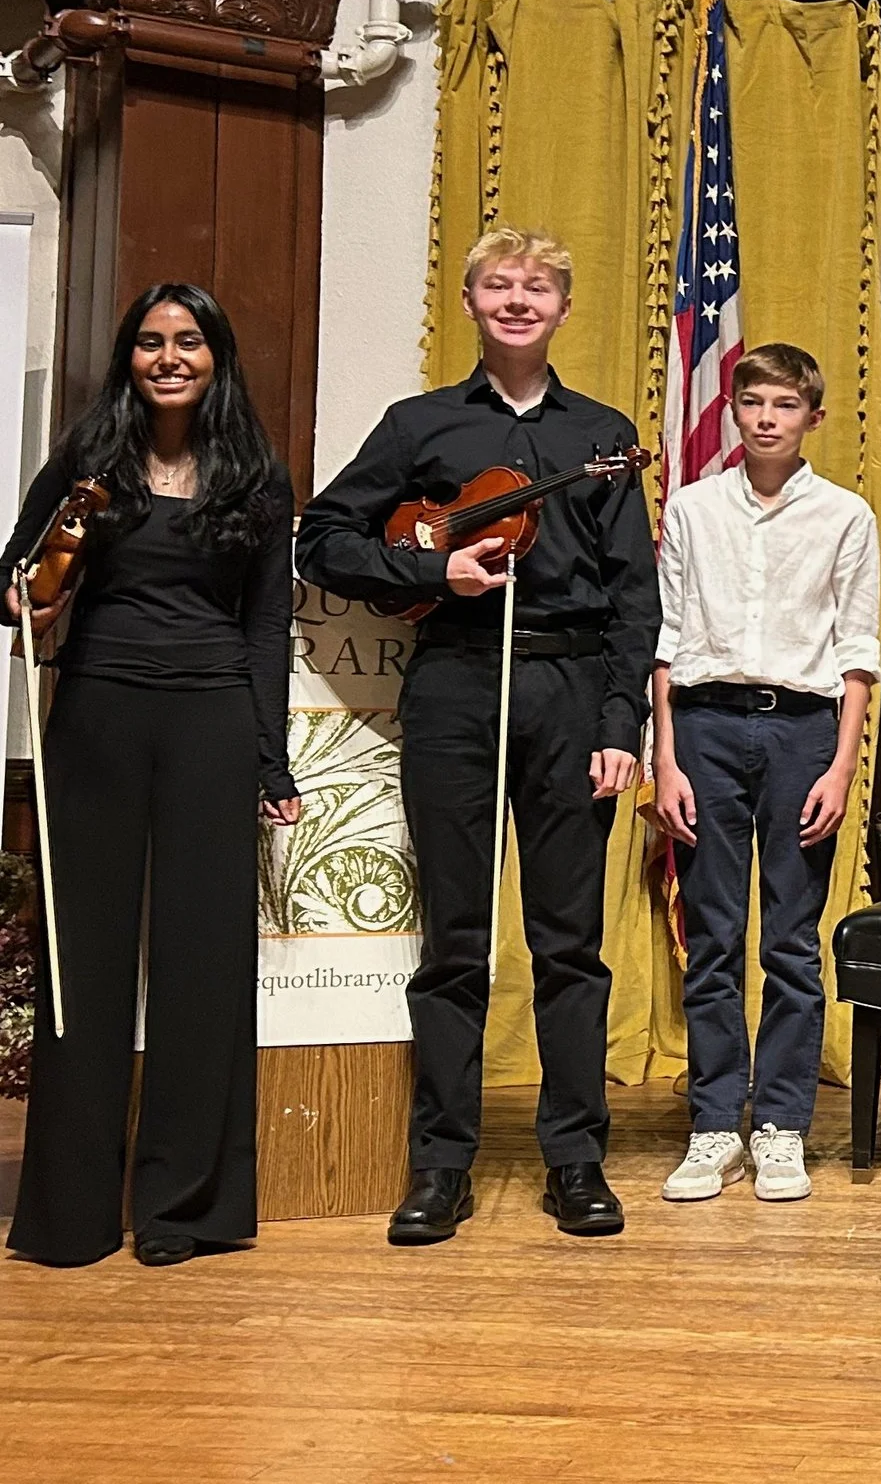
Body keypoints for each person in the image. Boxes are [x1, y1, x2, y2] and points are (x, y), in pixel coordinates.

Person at [297, 227, 659, 1245]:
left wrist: (619, 720)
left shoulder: (601, 433)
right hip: (456, 678)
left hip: (570, 686)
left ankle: (576, 1158)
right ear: (468, 302)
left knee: (569, 944)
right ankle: (442, 1162)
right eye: (498, 284)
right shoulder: (419, 427)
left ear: (561, 308)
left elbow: (634, 594)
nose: (516, 300)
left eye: (535, 287)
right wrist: (430, 575)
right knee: (454, 939)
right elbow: (327, 539)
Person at [1, 284, 299, 1268]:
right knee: (81, 964)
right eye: (150, 342)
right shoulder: (90, 460)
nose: (167, 357)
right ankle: (69, 1212)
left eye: (188, 341)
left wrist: (270, 754)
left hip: (212, 716)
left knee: (202, 963)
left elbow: (264, 629)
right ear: (129, 356)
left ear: (217, 355)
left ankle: (186, 1208)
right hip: (97, 712)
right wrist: (27, 593)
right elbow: (11, 579)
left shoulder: (257, 475)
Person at [649, 343, 879, 1207]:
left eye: (787, 405)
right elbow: (666, 641)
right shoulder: (695, 508)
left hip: (802, 733)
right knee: (712, 936)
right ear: (735, 413)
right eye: (755, 404)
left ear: (812, 417)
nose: (769, 419)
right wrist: (665, 756)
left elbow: (858, 651)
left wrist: (843, 762)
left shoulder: (846, 517)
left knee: (790, 937)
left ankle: (780, 1127)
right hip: (704, 727)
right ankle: (714, 1124)